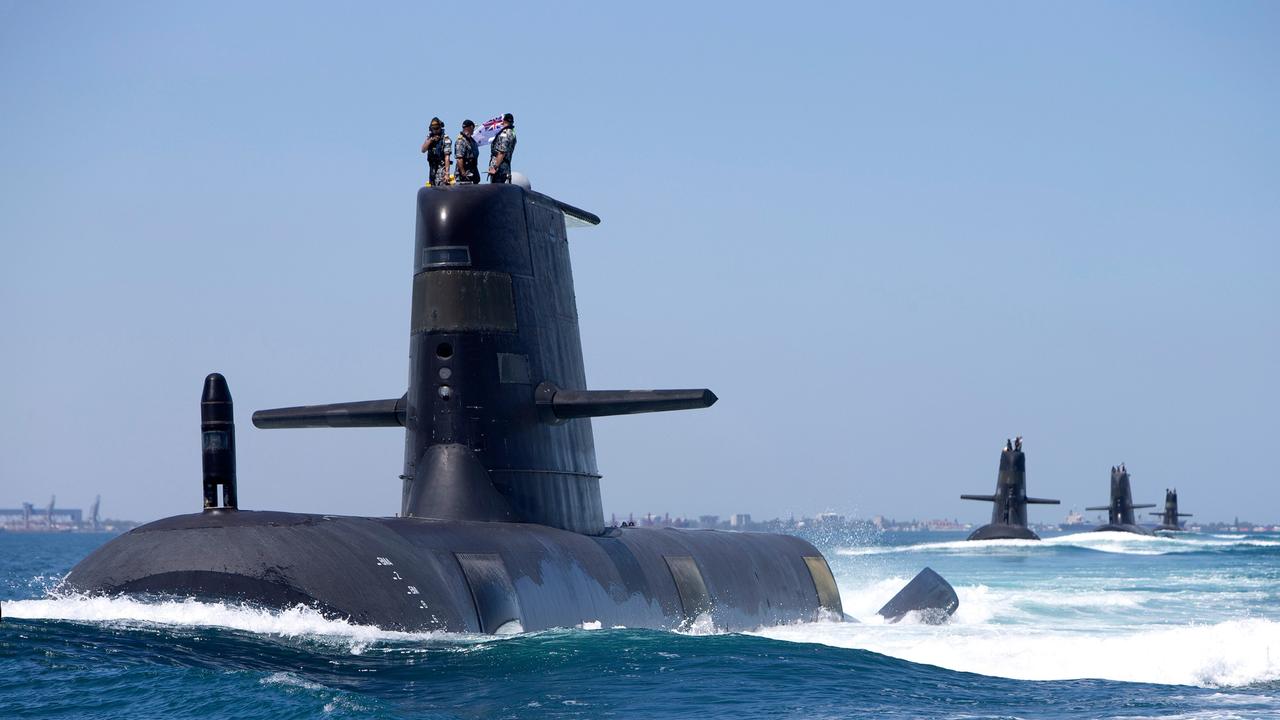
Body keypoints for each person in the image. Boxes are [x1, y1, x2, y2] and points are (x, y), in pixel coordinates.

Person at [420, 117, 452, 187]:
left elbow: (447, 157)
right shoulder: (429, 138)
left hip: (441, 167)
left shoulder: (445, 139)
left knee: (441, 186)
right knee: (433, 186)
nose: (435, 131)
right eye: (433, 129)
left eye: (437, 128)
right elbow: (423, 150)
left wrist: (447, 174)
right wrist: (431, 140)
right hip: (432, 167)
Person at [488, 113, 516, 183]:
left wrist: (495, 167)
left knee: (496, 190)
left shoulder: (504, 134)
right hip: (506, 167)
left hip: (500, 168)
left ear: (504, 121)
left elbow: (502, 152)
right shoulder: (512, 133)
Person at [454, 119, 480, 184]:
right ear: (471, 127)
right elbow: (459, 158)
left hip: (472, 173)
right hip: (464, 175)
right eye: (473, 128)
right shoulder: (461, 141)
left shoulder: (472, 141)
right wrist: (463, 173)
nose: (474, 130)